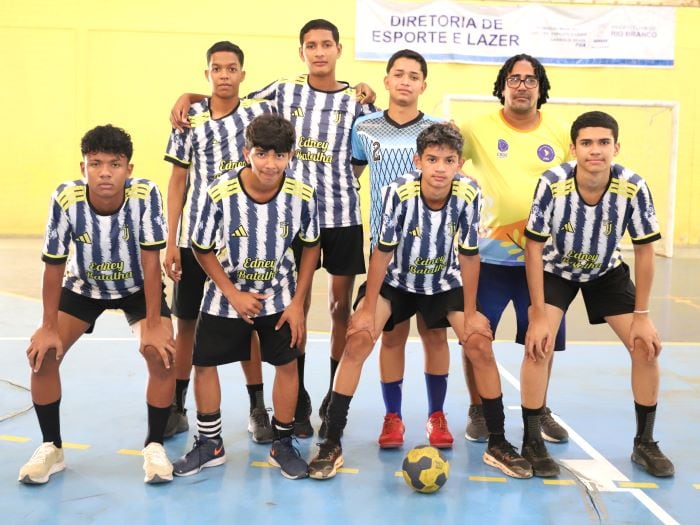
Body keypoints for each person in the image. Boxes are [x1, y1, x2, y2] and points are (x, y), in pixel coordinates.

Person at [169, 20, 376, 439]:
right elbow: (229, 95)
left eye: (326, 45)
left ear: (339, 49)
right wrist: (189, 95)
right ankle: (293, 398)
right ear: (301, 52)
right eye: (311, 46)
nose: (319, 52)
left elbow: (369, 147)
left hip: (341, 218)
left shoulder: (358, 103)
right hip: (290, 218)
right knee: (287, 308)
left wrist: (369, 89)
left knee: (338, 310)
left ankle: (334, 397)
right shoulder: (282, 91)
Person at [308, 123, 532, 480]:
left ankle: (499, 443)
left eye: (448, 160)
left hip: (443, 282)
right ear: (419, 161)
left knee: (479, 345)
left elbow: (470, 255)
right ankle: (331, 441)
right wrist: (367, 309)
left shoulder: (469, 194)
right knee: (359, 340)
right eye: (432, 159)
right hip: (397, 280)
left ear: (459, 163)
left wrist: (472, 314)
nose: (440, 167)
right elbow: (382, 252)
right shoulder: (398, 192)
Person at [18, 125, 176, 485]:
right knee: (43, 356)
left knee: (161, 352)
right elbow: (53, 265)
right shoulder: (65, 198)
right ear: (83, 166)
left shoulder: (146, 194)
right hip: (83, 287)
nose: (105, 172)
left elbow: (152, 263)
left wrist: (153, 320)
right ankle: (51, 447)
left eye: (115, 164)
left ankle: (154, 445)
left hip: (136, 287)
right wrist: (47, 326)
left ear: (128, 169)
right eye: (96, 163)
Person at [521, 110, 674, 478]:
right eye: (586, 143)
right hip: (557, 270)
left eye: (603, 142)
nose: (595, 150)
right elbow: (533, 247)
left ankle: (645, 442)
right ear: (573, 148)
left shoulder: (632, 186)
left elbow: (644, 251)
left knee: (646, 348)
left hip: (606, 272)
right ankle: (531, 441)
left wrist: (642, 315)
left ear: (616, 147)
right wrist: (539, 313)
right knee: (539, 345)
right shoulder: (553, 183)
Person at [171, 114, 320, 480]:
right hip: (228, 293)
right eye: (262, 153)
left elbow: (311, 248)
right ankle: (210, 444)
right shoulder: (219, 192)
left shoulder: (302, 194)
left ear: (291, 156)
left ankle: (282, 444)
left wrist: (298, 303)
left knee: (287, 365)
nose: (270, 163)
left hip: (279, 293)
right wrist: (232, 293)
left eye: (280, 155)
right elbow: (202, 247)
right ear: (246, 152)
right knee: (203, 362)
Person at [163, 41, 274, 444]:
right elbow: (178, 181)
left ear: (243, 74)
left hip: (242, 242)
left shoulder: (259, 111)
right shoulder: (189, 119)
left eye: (231, 68)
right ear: (207, 72)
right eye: (216, 68)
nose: (224, 75)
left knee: (251, 326)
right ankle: (177, 406)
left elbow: (310, 85)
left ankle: (258, 408)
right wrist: (171, 240)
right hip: (196, 240)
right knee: (187, 323)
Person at [459, 54, 570, 444]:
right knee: (475, 339)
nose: (522, 85)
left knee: (541, 342)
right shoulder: (476, 128)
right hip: (486, 259)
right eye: (514, 78)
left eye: (530, 79)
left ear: (540, 88)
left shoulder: (559, 133)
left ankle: (537, 410)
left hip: (542, 263)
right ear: (502, 85)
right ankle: (478, 409)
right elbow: (442, 152)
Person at [350, 49, 453, 448]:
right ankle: (392, 417)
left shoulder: (438, 131)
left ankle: (436, 417)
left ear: (423, 85)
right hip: (386, 256)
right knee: (391, 338)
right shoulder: (365, 126)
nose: (406, 81)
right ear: (387, 81)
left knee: (435, 338)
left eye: (414, 75)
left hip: (433, 257)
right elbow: (356, 171)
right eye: (399, 74)